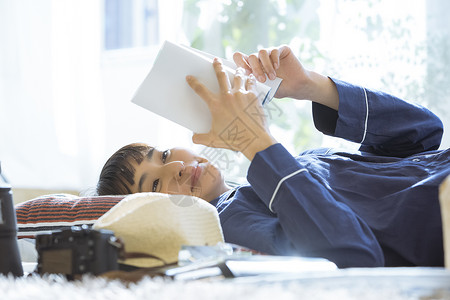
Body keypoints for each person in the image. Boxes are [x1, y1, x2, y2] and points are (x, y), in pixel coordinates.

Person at [97, 45, 450, 268]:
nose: (174, 165)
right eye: (155, 183)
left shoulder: (286, 168)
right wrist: (253, 140)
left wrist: (311, 86)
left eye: (163, 154)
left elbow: (422, 133)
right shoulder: (228, 224)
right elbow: (353, 256)